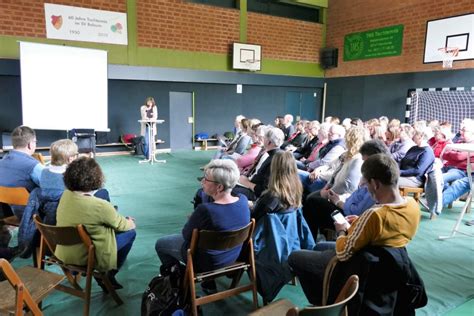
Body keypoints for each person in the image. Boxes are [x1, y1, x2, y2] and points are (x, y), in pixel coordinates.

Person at [288, 154, 420, 305]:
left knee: (295, 257)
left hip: (360, 262)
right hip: (386, 261)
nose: (365, 187)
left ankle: (325, 302)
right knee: (319, 246)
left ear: (375, 184)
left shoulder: (375, 214)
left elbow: (343, 252)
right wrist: (358, 223)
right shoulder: (412, 204)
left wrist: (342, 230)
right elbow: (384, 232)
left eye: (366, 183)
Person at [155, 160, 250, 292]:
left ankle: (177, 278)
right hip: (233, 256)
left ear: (219, 187)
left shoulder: (206, 210)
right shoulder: (243, 200)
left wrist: (194, 220)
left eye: (206, 180)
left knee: (160, 244)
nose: (202, 182)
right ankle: (208, 283)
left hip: (206, 262)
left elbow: (186, 235)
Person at [55, 157, 136, 290]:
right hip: (88, 256)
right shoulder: (100, 206)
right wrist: (130, 221)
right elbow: (124, 225)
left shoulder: (65, 195)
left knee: (103, 194)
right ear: (96, 178)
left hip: (64, 253)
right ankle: (108, 275)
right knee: (130, 233)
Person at [251, 151, 315, 302]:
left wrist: (252, 206)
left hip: (269, 246)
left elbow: (253, 220)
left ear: (274, 169)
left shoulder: (270, 198)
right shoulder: (296, 192)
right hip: (291, 242)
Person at [303, 139, 388, 240]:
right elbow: (354, 194)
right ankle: (312, 238)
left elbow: (357, 211)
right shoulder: (370, 173)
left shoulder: (376, 181)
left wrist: (338, 202)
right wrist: (340, 198)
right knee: (312, 200)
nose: (364, 163)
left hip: (348, 217)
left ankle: (309, 240)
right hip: (344, 203)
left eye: (365, 160)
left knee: (312, 202)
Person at [0, 126, 44, 219]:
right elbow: (50, 187)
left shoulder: (2, 162)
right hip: (32, 216)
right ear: (29, 145)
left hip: (10, 214)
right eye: (35, 142)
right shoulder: (34, 166)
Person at [236, 127, 284, 201]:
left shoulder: (274, 159)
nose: (260, 140)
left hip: (256, 194)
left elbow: (264, 190)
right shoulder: (274, 155)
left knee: (225, 188)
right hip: (251, 185)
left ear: (269, 142)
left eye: (263, 138)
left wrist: (246, 183)